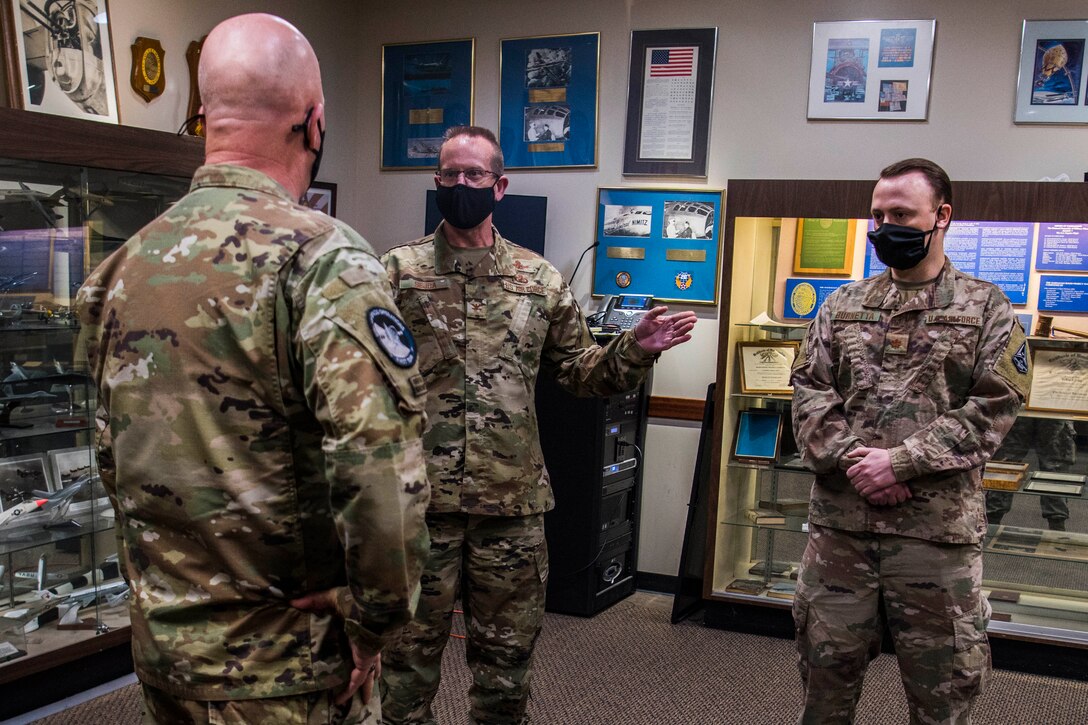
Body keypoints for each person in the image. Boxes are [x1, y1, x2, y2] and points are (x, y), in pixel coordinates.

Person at [75, 14, 430, 724]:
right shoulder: (325, 259)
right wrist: (373, 622)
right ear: (314, 121)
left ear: (205, 116)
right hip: (287, 671)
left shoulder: (119, 267)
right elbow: (378, 471)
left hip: (166, 654)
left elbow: (113, 463)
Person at [379, 125, 697, 725]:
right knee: (404, 668)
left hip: (511, 508)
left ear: (499, 186)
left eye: (474, 175)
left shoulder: (538, 280)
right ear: (436, 180)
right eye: (449, 174)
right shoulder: (394, 274)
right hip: (418, 508)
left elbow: (580, 373)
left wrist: (636, 347)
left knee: (506, 669)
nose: (460, 184)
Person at [790, 158, 1031, 723]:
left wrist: (899, 464)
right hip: (840, 538)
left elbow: (995, 405)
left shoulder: (986, 308)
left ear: (941, 216)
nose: (884, 227)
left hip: (935, 541)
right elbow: (809, 392)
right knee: (823, 691)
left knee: (942, 697)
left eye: (901, 214)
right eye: (877, 215)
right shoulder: (842, 305)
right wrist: (859, 464)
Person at [986, 417, 1077, 531]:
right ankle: (990, 524)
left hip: (1054, 406)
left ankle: (1057, 528)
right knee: (1006, 464)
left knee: (1055, 465)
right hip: (1021, 406)